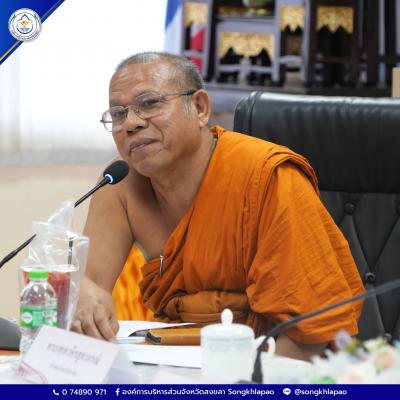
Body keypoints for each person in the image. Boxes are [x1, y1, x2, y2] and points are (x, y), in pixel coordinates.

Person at [71, 52, 364, 361]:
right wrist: (86, 300)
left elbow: (308, 330)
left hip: (267, 362)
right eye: (118, 114)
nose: (131, 123)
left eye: (149, 103)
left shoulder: (266, 177)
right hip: (173, 359)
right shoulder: (121, 184)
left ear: (200, 107)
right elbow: (90, 282)